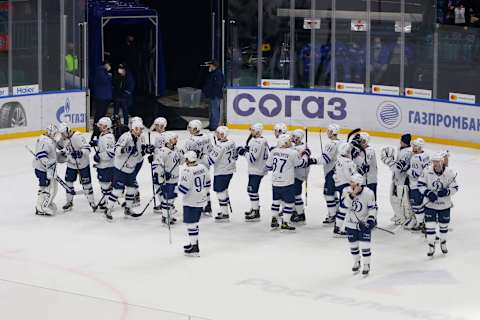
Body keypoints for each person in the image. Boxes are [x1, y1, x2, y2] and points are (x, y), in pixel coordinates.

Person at [103, 119, 147, 220]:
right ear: (133, 129)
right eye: (138, 129)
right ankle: (108, 209)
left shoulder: (139, 139)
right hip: (121, 169)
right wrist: (126, 149)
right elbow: (116, 150)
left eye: (141, 129)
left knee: (132, 188)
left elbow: (139, 153)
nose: (140, 131)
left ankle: (128, 209)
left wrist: (146, 151)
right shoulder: (125, 137)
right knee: (118, 190)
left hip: (131, 169)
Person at [265, 134, 309, 231]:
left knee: (276, 202)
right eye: (289, 141)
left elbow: (268, 167)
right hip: (287, 183)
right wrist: (305, 155)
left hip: (275, 182)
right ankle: (285, 223)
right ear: (285, 142)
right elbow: (301, 164)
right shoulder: (292, 153)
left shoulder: (273, 151)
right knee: (289, 203)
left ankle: (274, 219)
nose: (291, 142)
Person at [418, 152, 458, 257]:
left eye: (437, 162)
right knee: (430, 226)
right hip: (430, 204)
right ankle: (431, 246)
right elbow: (420, 185)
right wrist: (428, 193)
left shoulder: (449, 172)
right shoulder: (427, 171)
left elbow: (455, 187)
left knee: (443, 226)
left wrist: (446, 192)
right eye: (434, 162)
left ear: (442, 162)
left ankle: (443, 243)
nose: (435, 164)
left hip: (444, 204)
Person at [343, 173, 377, 276]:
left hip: (364, 223)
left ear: (358, 184)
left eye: (353, 182)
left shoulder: (369, 193)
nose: (350, 184)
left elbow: (372, 208)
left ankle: (366, 264)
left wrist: (371, 220)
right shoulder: (346, 190)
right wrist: (353, 195)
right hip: (351, 223)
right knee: (353, 245)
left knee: (365, 245)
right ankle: (356, 261)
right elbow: (345, 205)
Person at [178, 151, 211, 257]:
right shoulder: (202, 167)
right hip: (201, 199)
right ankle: (193, 243)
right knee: (194, 223)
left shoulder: (187, 171)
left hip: (191, 201)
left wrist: (169, 189)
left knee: (191, 224)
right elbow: (208, 183)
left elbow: (183, 190)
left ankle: (195, 248)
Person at [57, 122, 95, 211]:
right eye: (61, 133)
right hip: (71, 164)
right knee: (68, 183)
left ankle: (92, 203)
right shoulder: (63, 138)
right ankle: (69, 202)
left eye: (63, 133)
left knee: (87, 185)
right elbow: (59, 146)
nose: (62, 135)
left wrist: (80, 152)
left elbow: (88, 148)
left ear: (68, 130)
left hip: (82, 165)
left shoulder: (77, 136)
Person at [237, 123, 270, 222]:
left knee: (252, 190)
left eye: (253, 130)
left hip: (256, 170)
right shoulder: (263, 140)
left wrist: (243, 152)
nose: (251, 132)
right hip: (260, 168)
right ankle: (254, 207)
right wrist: (248, 150)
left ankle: (256, 211)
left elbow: (252, 159)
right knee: (252, 190)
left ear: (258, 131)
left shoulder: (256, 142)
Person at [151, 131, 184, 225]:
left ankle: (168, 215)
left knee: (172, 198)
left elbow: (181, 162)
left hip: (175, 178)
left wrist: (183, 155)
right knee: (168, 199)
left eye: (176, 139)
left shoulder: (177, 149)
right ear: (168, 140)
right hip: (166, 180)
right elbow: (156, 165)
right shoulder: (162, 151)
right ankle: (166, 217)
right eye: (174, 139)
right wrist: (163, 174)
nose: (176, 140)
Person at [381, 133, 413, 225]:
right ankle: (399, 215)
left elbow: (399, 167)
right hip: (396, 178)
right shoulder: (401, 149)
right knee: (394, 199)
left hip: (403, 181)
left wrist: (388, 161)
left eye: (401, 140)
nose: (400, 142)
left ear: (404, 142)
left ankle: (405, 218)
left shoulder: (407, 153)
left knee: (403, 201)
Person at [183, 119, 214, 216]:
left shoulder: (190, 141)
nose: (189, 129)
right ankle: (208, 205)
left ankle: (198, 206)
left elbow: (185, 155)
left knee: (196, 187)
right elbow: (212, 149)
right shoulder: (207, 137)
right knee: (204, 185)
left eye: (191, 128)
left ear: (196, 129)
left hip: (194, 166)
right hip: (205, 165)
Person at [208, 126, 237, 222]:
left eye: (218, 133)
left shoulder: (219, 146)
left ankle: (225, 214)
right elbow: (235, 156)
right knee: (223, 190)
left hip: (221, 172)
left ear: (221, 134)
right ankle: (224, 211)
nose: (216, 134)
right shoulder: (232, 143)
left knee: (220, 192)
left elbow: (210, 160)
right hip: (230, 171)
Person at [33, 124, 61, 216]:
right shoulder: (44, 141)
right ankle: (41, 207)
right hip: (43, 169)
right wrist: (48, 163)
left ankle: (47, 203)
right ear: (50, 132)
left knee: (54, 188)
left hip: (49, 169)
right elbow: (41, 155)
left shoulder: (50, 140)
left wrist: (62, 156)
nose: (56, 135)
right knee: (47, 188)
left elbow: (52, 155)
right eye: (55, 133)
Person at [290, 129, 317, 224]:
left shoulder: (301, 148)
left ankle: (300, 215)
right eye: (292, 136)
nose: (292, 138)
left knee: (296, 194)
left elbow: (301, 163)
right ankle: (294, 211)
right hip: (295, 174)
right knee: (292, 194)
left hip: (299, 174)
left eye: (295, 137)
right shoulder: (296, 146)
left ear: (299, 138)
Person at [90, 117, 116, 210]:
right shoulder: (103, 135)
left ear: (105, 126)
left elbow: (111, 153)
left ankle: (109, 203)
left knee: (105, 184)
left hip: (107, 166)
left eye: (101, 125)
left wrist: (99, 156)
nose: (99, 127)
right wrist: (96, 143)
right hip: (103, 165)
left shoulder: (108, 138)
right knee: (103, 183)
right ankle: (106, 201)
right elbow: (103, 144)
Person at [333, 143, 357, 237]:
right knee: (344, 208)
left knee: (344, 207)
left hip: (338, 184)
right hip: (346, 186)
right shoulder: (349, 162)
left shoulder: (338, 159)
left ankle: (340, 226)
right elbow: (350, 176)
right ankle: (338, 228)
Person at [319, 124, 341, 224]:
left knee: (328, 194)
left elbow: (325, 159)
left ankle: (332, 215)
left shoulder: (331, 144)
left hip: (331, 172)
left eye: (328, 131)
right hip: (339, 172)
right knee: (334, 193)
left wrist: (312, 161)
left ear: (332, 132)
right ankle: (336, 211)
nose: (327, 133)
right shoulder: (341, 143)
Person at [407, 138, 430, 231]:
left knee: (416, 205)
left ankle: (421, 224)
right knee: (423, 204)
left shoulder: (416, 158)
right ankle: (425, 223)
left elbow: (415, 174)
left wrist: (406, 169)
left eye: (415, 146)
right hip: (425, 184)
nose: (413, 147)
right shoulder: (426, 155)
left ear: (420, 147)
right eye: (413, 145)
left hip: (416, 185)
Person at [351, 132, 378, 199]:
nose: (358, 143)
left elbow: (365, 165)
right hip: (361, 181)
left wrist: (356, 156)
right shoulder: (359, 150)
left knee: (371, 202)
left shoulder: (370, 150)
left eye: (360, 141)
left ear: (365, 141)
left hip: (370, 181)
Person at [149, 117, 168, 212]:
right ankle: (165, 203)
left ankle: (164, 203)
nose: (155, 127)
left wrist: (153, 151)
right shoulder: (167, 135)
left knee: (158, 184)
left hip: (160, 165)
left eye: (157, 125)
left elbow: (160, 150)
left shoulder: (160, 137)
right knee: (161, 184)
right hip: (163, 164)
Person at [203, 61, 224, 131]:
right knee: (211, 111)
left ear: (213, 66)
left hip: (215, 95)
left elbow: (218, 85)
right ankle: (211, 125)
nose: (209, 67)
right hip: (211, 95)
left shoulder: (218, 74)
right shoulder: (212, 73)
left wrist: (213, 94)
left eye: (210, 66)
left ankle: (214, 126)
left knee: (215, 111)